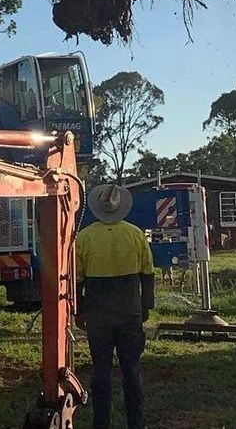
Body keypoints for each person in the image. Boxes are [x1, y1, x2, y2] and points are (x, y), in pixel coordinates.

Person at [75, 184, 155, 429]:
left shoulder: (85, 237)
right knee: (131, 371)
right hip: (129, 310)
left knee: (101, 372)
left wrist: (79, 312)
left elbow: (77, 280)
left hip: (98, 314)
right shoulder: (135, 234)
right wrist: (145, 307)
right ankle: (136, 423)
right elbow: (148, 274)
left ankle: (101, 423)